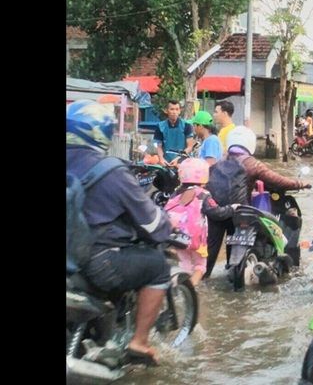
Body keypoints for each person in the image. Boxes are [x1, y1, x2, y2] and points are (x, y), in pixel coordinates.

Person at [67, 100, 173, 364]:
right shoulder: (111, 171)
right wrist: (167, 225)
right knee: (158, 266)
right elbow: (151, 224)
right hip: (96, 262)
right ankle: (139, 342)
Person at [204, 127, 312, 277]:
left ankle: (201, 281)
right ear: (249, 143)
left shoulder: (220, 161)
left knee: (210, 251)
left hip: (216, 212)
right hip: (240, 212)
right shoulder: (252, 163)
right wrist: (300, 183)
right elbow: (277, 180)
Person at [165, 158, 237, 286]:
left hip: (177, 237)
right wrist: (232, 208)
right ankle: (191, 289)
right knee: (200, 266)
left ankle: (177, 288)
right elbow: (217, 213)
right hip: (196, 240)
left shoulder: (176, 193)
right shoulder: (203, 194)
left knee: (184, 265)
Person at [154, 100, 195, 166]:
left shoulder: (186, 125)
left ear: (179, 111)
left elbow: (190, 146)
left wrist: (178, 158)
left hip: (182, 163)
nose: (174, 112)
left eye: (176, 109)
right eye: (172, 109)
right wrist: (161, 159)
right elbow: (159, 146)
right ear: (166, 111)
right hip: (166, 163)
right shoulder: (160, 126)